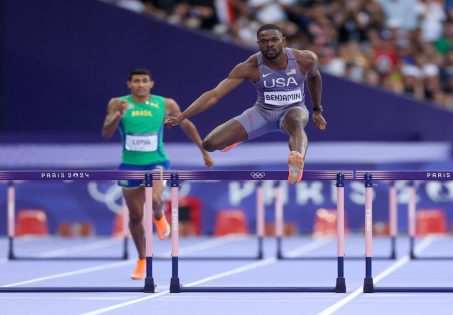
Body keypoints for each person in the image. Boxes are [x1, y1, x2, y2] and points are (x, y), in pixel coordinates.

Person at [164, 23, 327, 184]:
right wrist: (182, 117)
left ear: (283, 41)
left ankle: (297, 162)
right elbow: (214, 95)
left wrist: (316, 110)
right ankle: (237, 137)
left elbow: (314, 77)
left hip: (293, 109)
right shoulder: (250, 66)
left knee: (296, 120)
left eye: (274, 40)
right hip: (263, 112)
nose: (269, 44)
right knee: (209, 144)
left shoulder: (304, 59)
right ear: (258, 44)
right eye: (264, 41)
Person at [102, 68, 213, 279]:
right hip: (129, 165)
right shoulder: (118, 103)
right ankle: (142, 260)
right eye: (136, 81)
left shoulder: (165, 104)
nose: (140, 85)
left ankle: (159, 215)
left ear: (151, 83)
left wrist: (204, 151)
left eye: (144, 81)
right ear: (129, 84)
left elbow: (186, 124)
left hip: (157, 162)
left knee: (154, 199)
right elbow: (106, 132)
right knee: (135, 217)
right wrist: (117, 115)